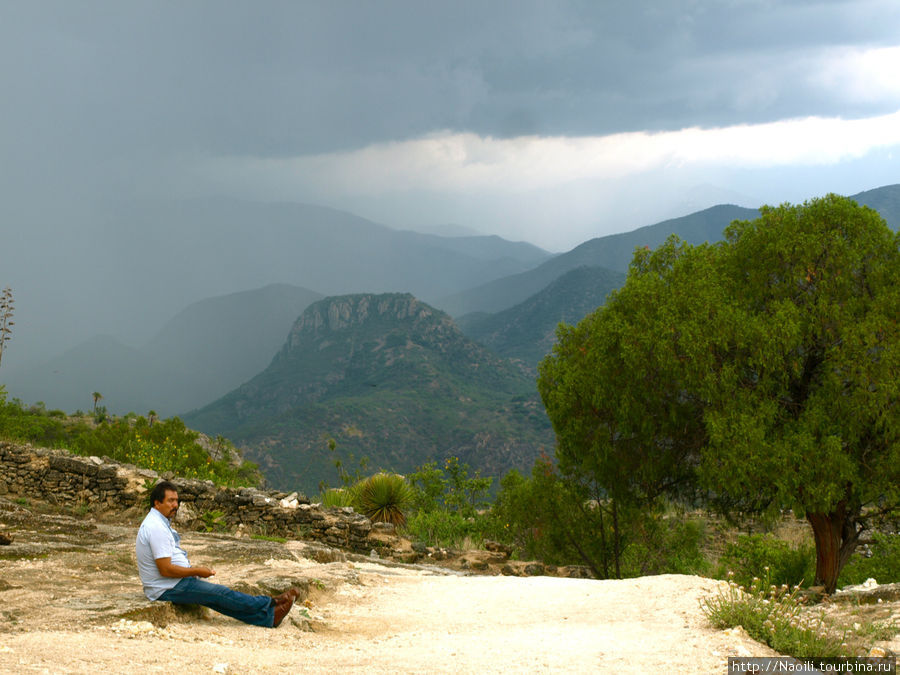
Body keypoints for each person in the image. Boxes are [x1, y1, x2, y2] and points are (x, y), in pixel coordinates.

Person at [136, 480, 298, 628]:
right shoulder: (156, 527)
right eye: (170, 501)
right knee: (221, 594)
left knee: (216, 599)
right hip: (167, 587)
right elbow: (166, 570)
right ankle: (270, 602)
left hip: (170, 583)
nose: (175, 505)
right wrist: (198, 571)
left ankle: (269, 618)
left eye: (176, 500)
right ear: (157, 503)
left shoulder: (158, 522)